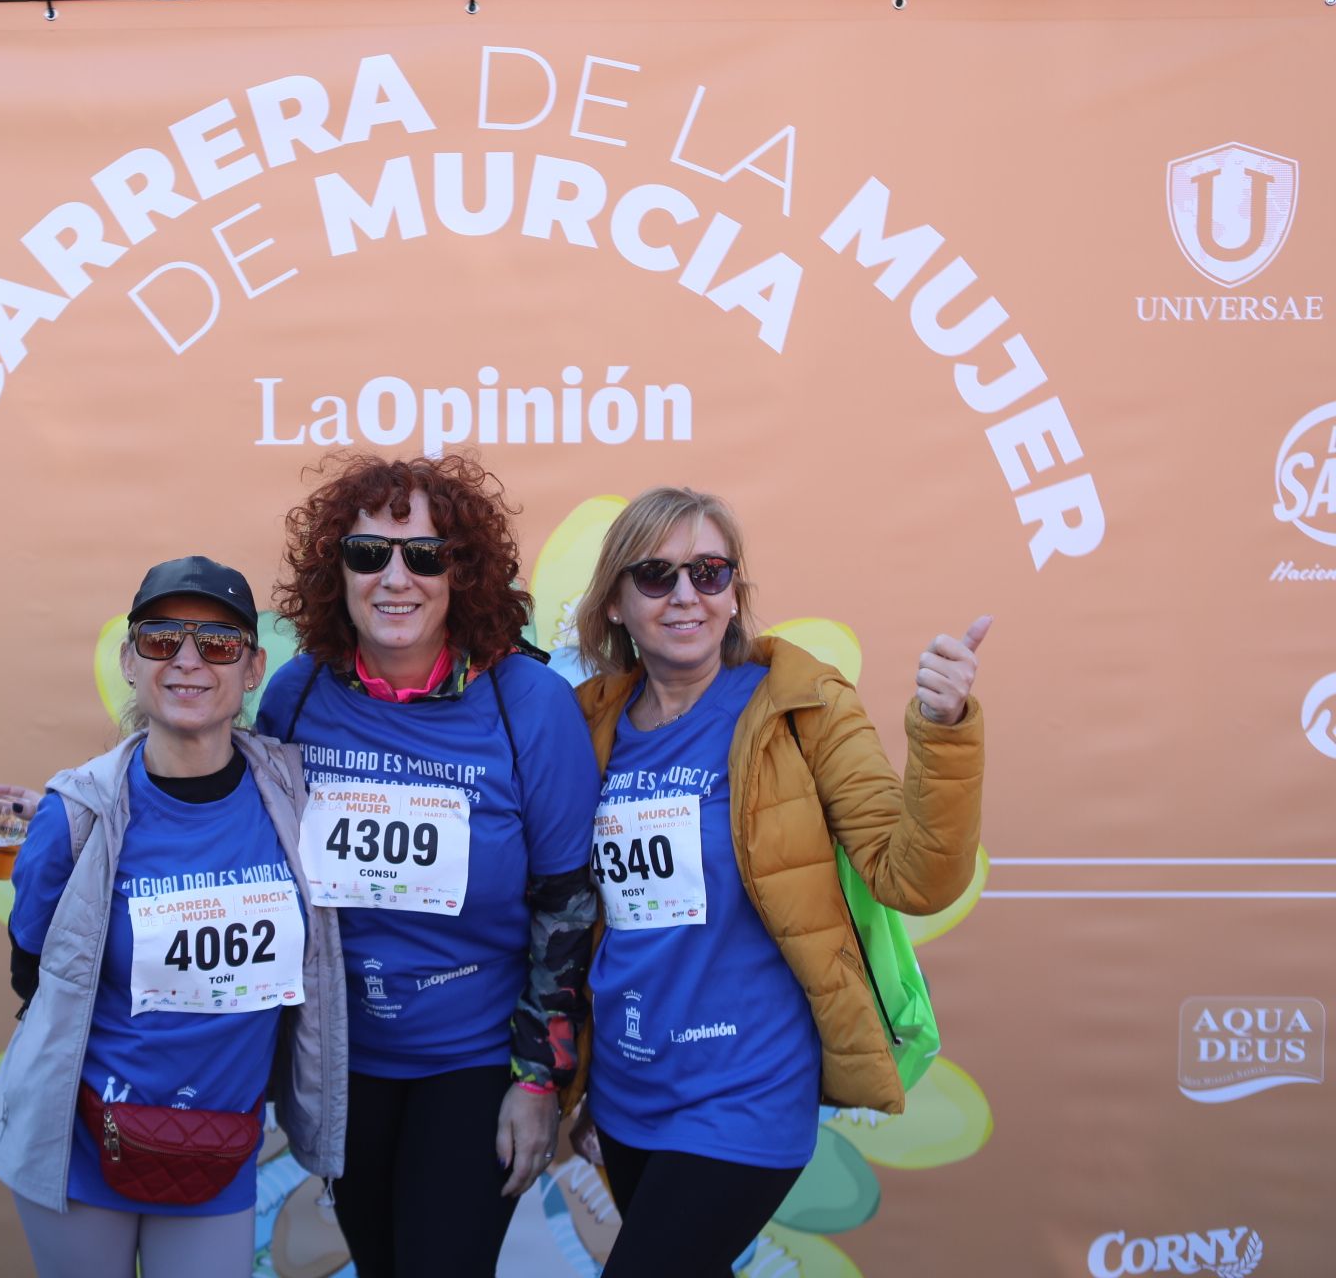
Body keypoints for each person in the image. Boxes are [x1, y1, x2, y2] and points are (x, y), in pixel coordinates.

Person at [562, 486, 988, 1277]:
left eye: (710, 572)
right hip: (628, 1091)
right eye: (656, 575)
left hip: (747, 1091)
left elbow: (916, 876)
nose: (686, 595)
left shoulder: (803, 705)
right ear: (616, 603)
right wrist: (583, 1081)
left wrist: (944, 729)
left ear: (735, 595)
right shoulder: (585, 722)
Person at [251, 453, 600, 1278]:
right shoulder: (295, 697)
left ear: (461, 572)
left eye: (425, 555)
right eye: (369, 554)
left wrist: (538, 1080)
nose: (395, 578)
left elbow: (568, 905)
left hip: (475, 1062)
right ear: (336, 571)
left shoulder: (528, 704)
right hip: (343, 1061)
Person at [0, 556, 346, 1278]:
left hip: (219, 1149)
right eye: (159, 639)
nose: (187, 661)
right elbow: (33, 972)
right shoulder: (74, 814)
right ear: (128, 661)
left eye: (216, 642)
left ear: (251, 669)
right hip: (84, 1144)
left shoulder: (298, 798)